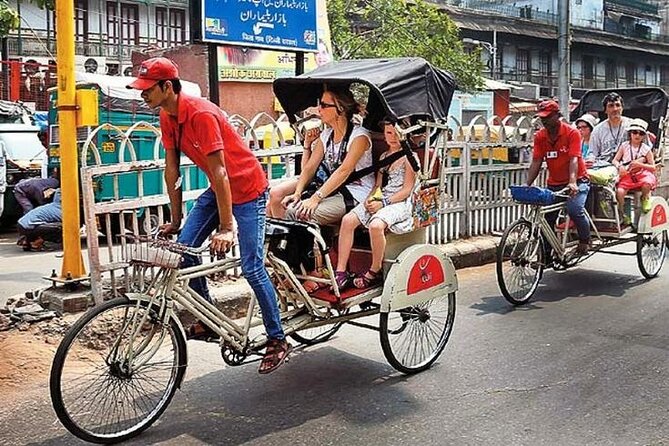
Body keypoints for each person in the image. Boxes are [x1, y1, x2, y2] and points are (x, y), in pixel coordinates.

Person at [126, 57, 290, 374]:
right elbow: (171, 169)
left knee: (252, 266)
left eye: (147, 89)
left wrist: (227, 228)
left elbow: (220, 171)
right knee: (185, 252)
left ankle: (277, 338)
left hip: (247, 189)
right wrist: (175, 219)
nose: (142, 94)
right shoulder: (167, 115)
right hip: (219, 191)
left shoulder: (200, 113)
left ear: (167, 86)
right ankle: (209, 320)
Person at [334, 120, 418, 290]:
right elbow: (377, 186)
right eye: (389, 133)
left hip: (400, 201)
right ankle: (341, 271)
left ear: (405, 134)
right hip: (382, 198)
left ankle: (375, 268)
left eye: (397, 133)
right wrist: (371, 198)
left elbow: (407, 189)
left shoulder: (410, 158)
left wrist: (384, 202)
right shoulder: (383, 157)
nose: (393, 137)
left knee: (376, 224)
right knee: (348, 220)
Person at [281, 86, 374, 225]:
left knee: (297, 213)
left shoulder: (359, 136)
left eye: (324, 105)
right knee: (289, 206)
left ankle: (312, 246)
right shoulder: (326, 135)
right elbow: (310, 168)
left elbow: (344, 171)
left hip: (355, 193)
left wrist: (315, 198)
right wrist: (298, 193)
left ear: (340, 109)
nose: (319, 109)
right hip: (331, 190)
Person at [526, 100, 591, 255]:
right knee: (545, 218)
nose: (544, 121)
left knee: (574, 209)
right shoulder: (540, 136)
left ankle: (584, 240)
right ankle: (546, 256)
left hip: (578, 181)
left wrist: (573, 182)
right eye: (542, 118)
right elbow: (536, 161)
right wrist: (527, 184)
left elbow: (574, 159)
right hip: (554, 184)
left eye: (548, 117)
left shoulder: (571, 133)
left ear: (557, 116)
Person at [611, 118, 657, 223]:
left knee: (647, 184)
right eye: (634, 132)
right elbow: (615, 160)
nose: (637, 135)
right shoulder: (624, 146)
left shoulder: (646, 149)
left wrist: (640, 164)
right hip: (628, 174)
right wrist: (619, 166)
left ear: (644, 136)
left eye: (640, 133)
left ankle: (645, 198)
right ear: (630, 133)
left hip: (642, 174)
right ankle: (622, 212)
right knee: (620, 191)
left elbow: (653, 167)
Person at [587, 92, 631, 164]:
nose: (615, 109)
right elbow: (592, 153)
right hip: (604, 166)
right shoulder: (597, 130)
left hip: (628, 164)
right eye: (611, 106)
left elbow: (646, 150)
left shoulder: (632, 125)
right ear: (605, 110)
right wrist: (590, 161)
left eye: (618, 105)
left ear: (622, 108)